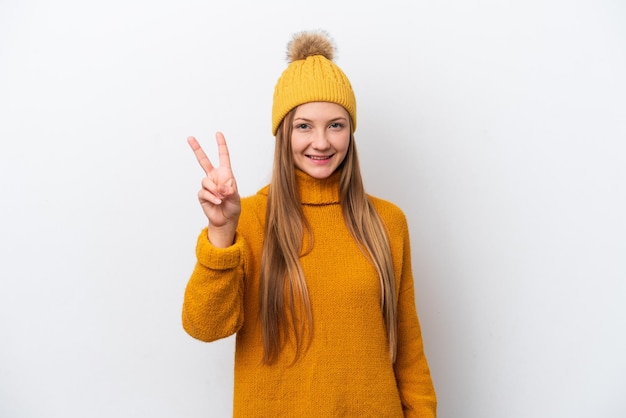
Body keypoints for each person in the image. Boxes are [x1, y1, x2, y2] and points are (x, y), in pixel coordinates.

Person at [182, 30, 437, 417]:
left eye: (335, 125)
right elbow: (204, 326)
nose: (321, 142)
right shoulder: (248, 219)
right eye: (304, 126)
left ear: (350, 131)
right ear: (283, 132)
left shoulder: (387, 222)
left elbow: (408, 352)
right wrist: (220, 233)